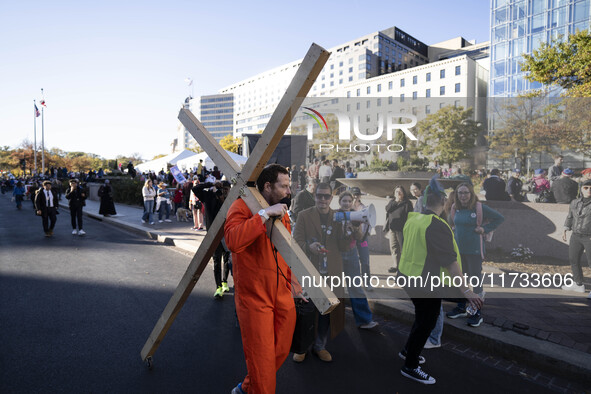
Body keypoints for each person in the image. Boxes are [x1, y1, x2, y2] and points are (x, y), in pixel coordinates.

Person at [397, 178, 483, 384]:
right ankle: (410, 366)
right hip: (425, 284)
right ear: (444, 200)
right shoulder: (436, 225)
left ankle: (408, 351)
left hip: (408, 277)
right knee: (426, 322)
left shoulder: (414, 218)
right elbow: (450, 262)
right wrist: (467, 291)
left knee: (421, 318)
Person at [225, 164, 301, 394]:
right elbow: (233, 241)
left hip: (282, 294)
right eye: (284, 186)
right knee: (262, 360)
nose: (289, 191)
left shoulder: (283, 209)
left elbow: (286, 249)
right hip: (254, 298)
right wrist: (264, 214)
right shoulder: (241, 205)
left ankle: (247, 387)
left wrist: (295, 285)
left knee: (278, 351)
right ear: (267, 186)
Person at [292, 182, 348, 363]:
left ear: (331, 198)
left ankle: (319, 346)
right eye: (319, 195)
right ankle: (302, 347)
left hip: (332, 273)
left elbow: (344, 247)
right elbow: (295, 242)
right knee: (306, 311)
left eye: (326, 196)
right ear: (314, 196)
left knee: (326, 313)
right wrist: (309, 247)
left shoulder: (339, 217)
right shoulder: (303, 215)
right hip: (311, 271)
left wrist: (349, 231)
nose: (322, 199)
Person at [446, 183, 504, 327]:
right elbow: (449, 224)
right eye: (460, 193)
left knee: (476, 281)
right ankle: (461, 307)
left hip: (474, 251)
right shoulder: (454, 208)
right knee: (460, 279)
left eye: (466, 193)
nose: (463, 196)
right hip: (459, 252)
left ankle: (476, 313)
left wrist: (484, 229)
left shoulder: (479, 208)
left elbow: (499, 218)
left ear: (471, 194)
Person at [337, 190, 378, 329]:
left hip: (352, 253)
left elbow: (360, 237)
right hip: (337, 254)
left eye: (349, 201)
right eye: (344, 201)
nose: (347, 203)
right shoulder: (334, 215)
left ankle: (364, 320)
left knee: (355, 287)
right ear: (339, 202)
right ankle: (332, 319)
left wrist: (354, 229)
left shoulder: (356, 216)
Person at [194, 180, 232, 297]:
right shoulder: (208, 196)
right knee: (216, 261)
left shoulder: (230, 200)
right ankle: (218, 286)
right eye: (223, 189)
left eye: (227, 189)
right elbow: (195, 189)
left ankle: (225, 282)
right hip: (214, 234)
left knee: (227, 259)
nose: (224, 192)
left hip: (227, 234)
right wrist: (211, 184)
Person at [561, 179, 591, 298]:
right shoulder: (575, 202)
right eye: (586, 188)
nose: (589, 190)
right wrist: (565, 229)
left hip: (589, 237)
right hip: (576, 235)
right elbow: (570, 217)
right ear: (581, 189)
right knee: (573, 259)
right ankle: (578, 284)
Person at [385, 185, 414, 273]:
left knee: (403, 248)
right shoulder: (392, 202)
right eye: (396, 191)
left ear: (403, 193)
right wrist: (396, 201)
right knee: (394, 248)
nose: (398, 193)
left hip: (402, 229)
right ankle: (395, 265)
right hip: (392, 229)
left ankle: (404, 266)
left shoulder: (407, 203)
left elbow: (409, 216)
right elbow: (387, 209)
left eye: (400, 191)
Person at [352, 187, 371, 278]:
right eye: (354, 194)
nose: (355, 196)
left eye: (357, 195)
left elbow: (369, 222)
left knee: (365, 260)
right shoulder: (347, 207)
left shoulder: (364, 207)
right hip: (351, 239)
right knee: (353, 261)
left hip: (363, 238)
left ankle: (367, 281)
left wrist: (367, 232)